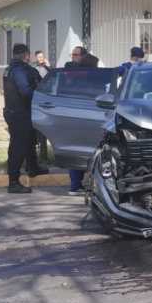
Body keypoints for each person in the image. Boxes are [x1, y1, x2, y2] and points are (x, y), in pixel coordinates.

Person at [3, 43, 48, 194]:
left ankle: (33, 168)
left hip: (15, 111)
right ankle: (13, 182)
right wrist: (41, 96)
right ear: (26, 55)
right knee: (18, 147)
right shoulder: (20, 70)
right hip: (20, 113)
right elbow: (26, 91)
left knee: (29, 141)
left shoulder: (10, 69)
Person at [65, 53, 101, 196]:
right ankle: (89, 184)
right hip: (89, 119)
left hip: (73, 118)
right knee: (92, 151)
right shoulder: (93, 79)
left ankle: (75, 185)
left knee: (75, 151)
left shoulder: (71, 77)